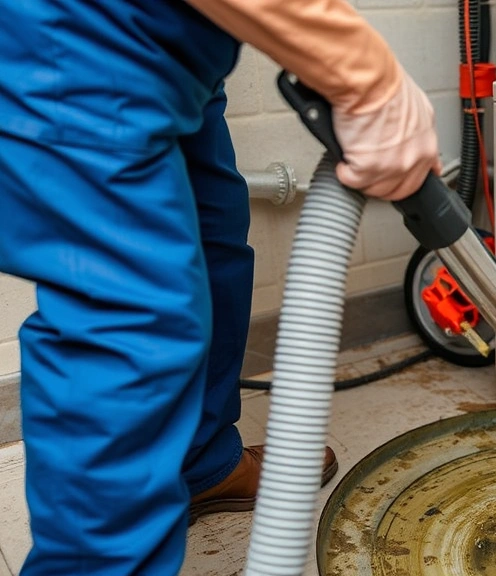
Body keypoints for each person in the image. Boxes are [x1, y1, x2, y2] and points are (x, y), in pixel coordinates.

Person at [0, 0, 440, 573]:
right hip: (79, 38)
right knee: (131, 325)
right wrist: (370, 79)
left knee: (214, 241)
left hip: (172, 42)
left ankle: (202, 463)